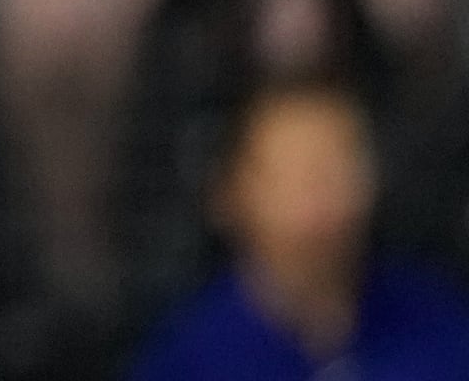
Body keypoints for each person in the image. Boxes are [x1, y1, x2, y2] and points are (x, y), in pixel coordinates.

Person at [128, 79, 469, 381]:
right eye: (297, 173)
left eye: (340, 166)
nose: (322, 197)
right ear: (228, 194)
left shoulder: (440, 322)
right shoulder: (187, 360)